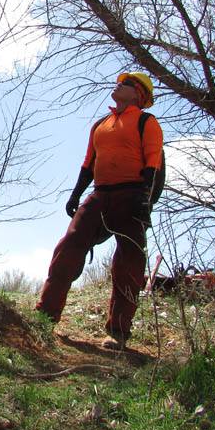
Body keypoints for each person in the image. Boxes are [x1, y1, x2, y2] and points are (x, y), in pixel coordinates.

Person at [35, 72, 163, 350]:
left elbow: (153, 161)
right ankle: (45, 315)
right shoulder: (99, 126)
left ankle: (118, 331)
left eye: (127, 84)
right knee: (69, 245)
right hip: (99, 195)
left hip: (132, 196)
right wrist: (76, 194)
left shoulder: (146, 122)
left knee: (129, 261)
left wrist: (145, 200)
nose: (119, 85)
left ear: (138, 95)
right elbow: (88, 164)